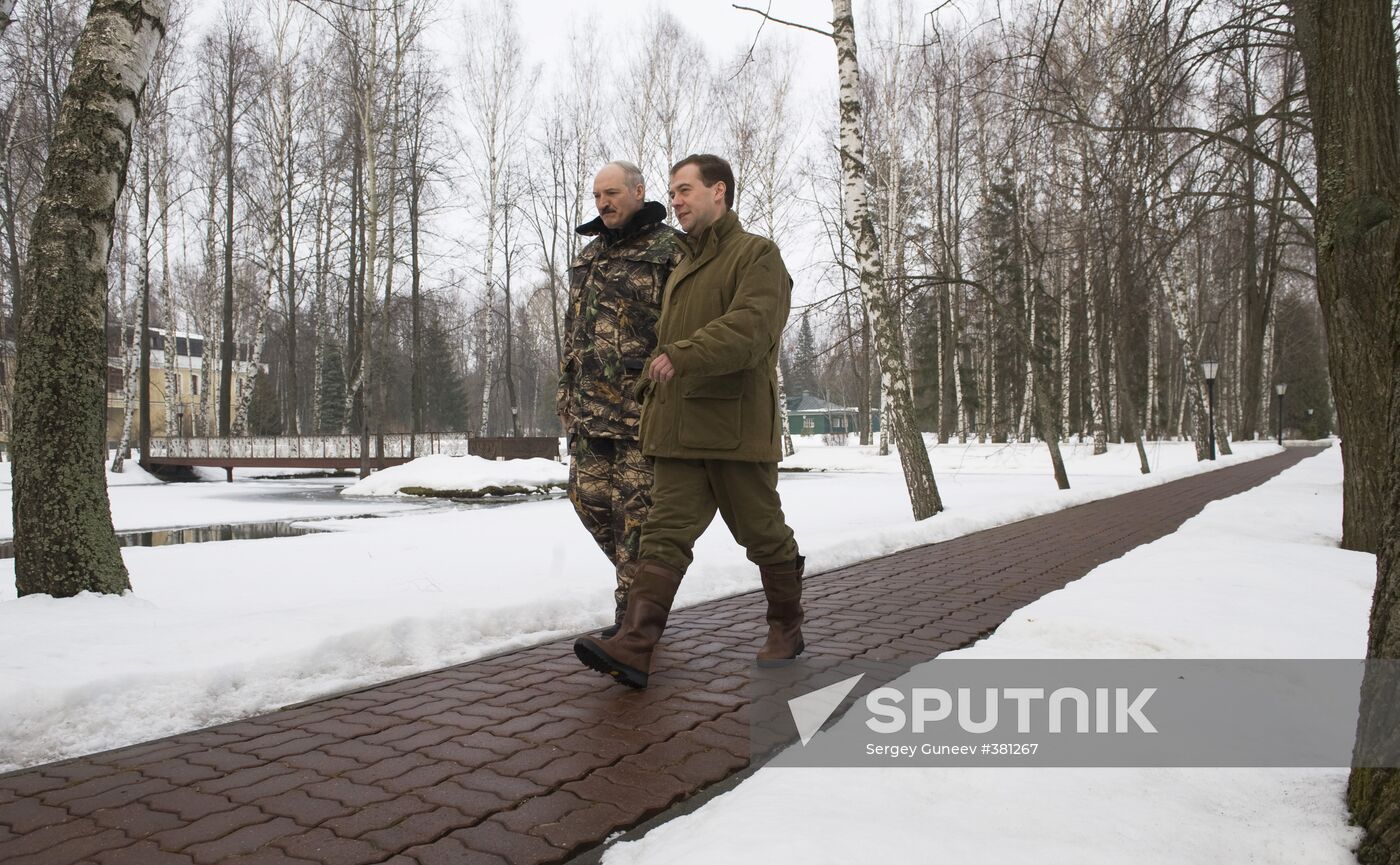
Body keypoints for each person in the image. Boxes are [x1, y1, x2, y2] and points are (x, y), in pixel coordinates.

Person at [574, 153, 804, 689]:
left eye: (684, 191)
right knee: (662, 536)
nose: (674, 201)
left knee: (763, 536)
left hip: (732, 432)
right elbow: (661, 347)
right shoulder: (682, 264)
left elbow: (752, 329)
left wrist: (682, 354)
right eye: (672, 193)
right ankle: (635, 645)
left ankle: (787, 627)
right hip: (677, 431)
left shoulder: (757, 255)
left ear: (718, 191)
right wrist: (646, 384)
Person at [559, 161, 681, 638]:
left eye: (611, 193)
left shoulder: (670, 249)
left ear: (638, 191)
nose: (603, 203)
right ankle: (648, 587)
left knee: (635, 519)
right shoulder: (588, 255)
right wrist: (565, 390)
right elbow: (575, 333)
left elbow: (685, 322)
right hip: (589, 411)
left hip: (640, 410)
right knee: (587, 502)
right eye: (596, 196)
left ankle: (633, 624)